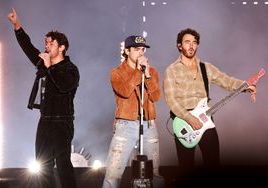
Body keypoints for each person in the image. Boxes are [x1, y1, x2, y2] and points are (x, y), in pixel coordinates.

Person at [163, 28, 257, 172]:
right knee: (186, 170)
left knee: (213, 165)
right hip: (183, 122)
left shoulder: (205, 67)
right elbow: (171, 100)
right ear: (179, 45)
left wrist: (246, 86)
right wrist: (189, 118)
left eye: (194, 42)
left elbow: (226, 81)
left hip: (206, 120)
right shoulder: (171, 70)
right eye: (187, 42)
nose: (191, 46)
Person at [8, 8, 79, 188]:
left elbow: (63, 86)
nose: (46, 46)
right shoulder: (44, 64)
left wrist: (49, 68)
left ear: (61, 47)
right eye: (46, 43)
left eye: (51, 43)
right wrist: (17, 25)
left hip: (62, 123)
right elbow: (28, 47)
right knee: (43, 165)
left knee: (63, 165)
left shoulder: (70, 69)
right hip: (45, 121)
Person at [102, 35, 161, 188]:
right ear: (127, 51)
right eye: (136, 49)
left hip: (149, 125)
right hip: (125, 126)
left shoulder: (151, 72)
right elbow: (125, 91)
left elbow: (156, 96)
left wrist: (147, 75)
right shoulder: (117, 72)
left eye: (143, 49)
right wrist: (138, 72)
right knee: (112, 175)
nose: (141, 53)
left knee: (153, 174)